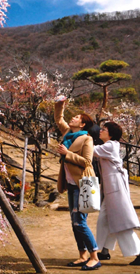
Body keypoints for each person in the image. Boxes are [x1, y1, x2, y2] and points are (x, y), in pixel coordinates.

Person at [94, 121, 140, 266]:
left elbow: (91, 150)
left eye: (104, 129)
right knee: (104, 220)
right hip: (112, 189)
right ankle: (104, 250)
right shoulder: (110, 146)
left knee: (120, 224)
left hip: (115, 189)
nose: (100, 131)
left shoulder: (110, 145)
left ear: (111, 134)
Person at [54, 96, 101, 270]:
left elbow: (87, 161)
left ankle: (94, 256)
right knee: (74, 221)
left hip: (83, 184)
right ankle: (82, 255)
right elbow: (59, 119)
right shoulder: (68, 134)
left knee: (79, 222)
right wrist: (60, 105)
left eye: (76, 118)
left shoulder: (86, 139)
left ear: (82, 124)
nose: (72, 119)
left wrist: (67, 153)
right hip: (71, 184)